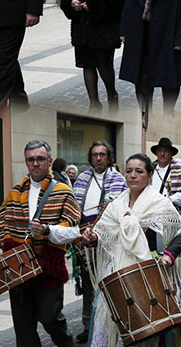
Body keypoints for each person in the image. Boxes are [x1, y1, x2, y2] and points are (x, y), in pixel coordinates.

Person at [82, 152, 181, 347]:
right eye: (129, 171)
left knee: (154, 327)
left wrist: (169, 256)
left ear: (150, 175)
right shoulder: (116, 205)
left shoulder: (160, 203)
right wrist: (93, 238)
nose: (133, 175)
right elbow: (103, 235)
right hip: (119, 272)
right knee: (115, 325)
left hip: (154, 271)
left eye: (139, 171)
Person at [0, 138, 80, 347]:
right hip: (18, 268)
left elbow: (73, 231)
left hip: (47, 268)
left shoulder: (62, 191)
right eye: (31, 159)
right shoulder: (16, 192)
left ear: (49, 161)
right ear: (26, 162)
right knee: (24, 329)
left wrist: (47, 230)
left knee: (51, 320)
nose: (35, 163)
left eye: (40, 159)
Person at [72, 142, 127, 343]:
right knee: (88, 286)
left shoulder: (119, 179)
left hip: (107, 241)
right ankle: (89, 326)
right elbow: (74, 209)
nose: (98, 158)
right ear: (90, 157)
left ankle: (111, 325)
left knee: (107, 283)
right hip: (83, 239)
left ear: (108, 157)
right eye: (95, 154)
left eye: (102, 154)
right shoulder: (82, 178)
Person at [150, 138, 181, 207]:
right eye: (159, 151)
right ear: (156, 153)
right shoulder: (149, 169)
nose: (162, 154)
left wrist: (172, 198)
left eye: (166, 151)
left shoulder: (180, 170)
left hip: (171, 211)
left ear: (171, 153)